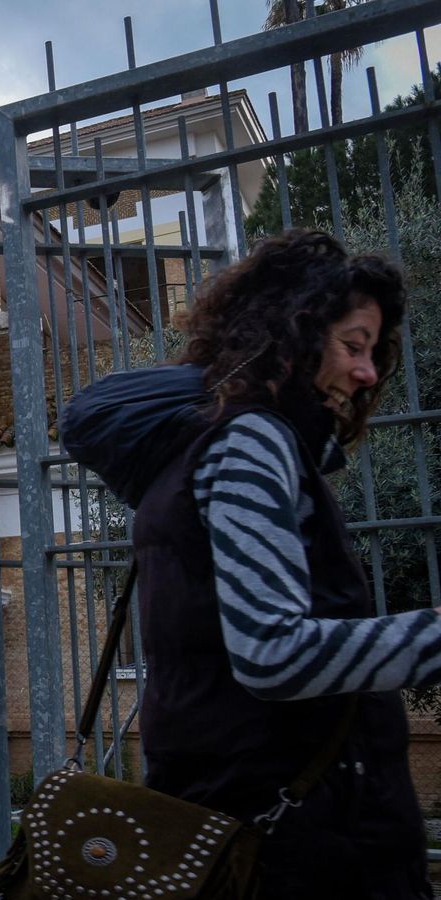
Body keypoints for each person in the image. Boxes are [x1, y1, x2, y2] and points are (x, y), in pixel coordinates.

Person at [65, 229, 439, 899]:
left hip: (248, 816)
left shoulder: (205, 444)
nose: (367, 373)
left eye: (373, 352)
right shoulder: (251, 442)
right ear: (293, 334)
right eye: (352, 345)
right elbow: (272, 652)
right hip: (295, 842)